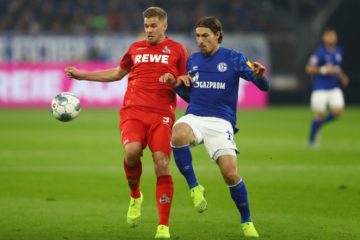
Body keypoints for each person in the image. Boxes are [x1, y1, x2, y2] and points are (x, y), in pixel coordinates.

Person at [65, 6, 187, 239]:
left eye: (154, 26)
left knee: (161, 162)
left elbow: (186, 80)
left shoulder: (178, 49)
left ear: (164, 26)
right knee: (131, 152)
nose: (149, 30)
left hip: (162, 113)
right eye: (146, 26)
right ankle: (135, 196)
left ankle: (163, 226)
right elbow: (117, 73)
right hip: (133, 111)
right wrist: (83, 75)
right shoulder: (135, 48)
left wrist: (176, 81)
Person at [159, 16, 269, 238]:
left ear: (217, 34)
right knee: (177, 134)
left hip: (221, 123)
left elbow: (262, 86)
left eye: (205, 35)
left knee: (230, 175)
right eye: (197, 36)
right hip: (196, 116)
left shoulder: (234, 58)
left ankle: (246, 221)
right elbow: (191, 96)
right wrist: (175, 85)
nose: (200, 40)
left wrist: (260, 77)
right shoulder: (193, 61)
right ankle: (194, 187)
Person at [305, 27, 350, 147]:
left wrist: (342, 77)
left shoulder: (338, 51)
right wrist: (324, 70)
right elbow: (308, 68)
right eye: (329, 36)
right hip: (320, 88)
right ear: (324, 38)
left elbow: (337, 68)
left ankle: (319, 125)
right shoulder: (319, 52)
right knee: (319, 115)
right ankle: (311, 141)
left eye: (333, 36)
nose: (331, 38)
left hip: (334, 87)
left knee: (338, 112)